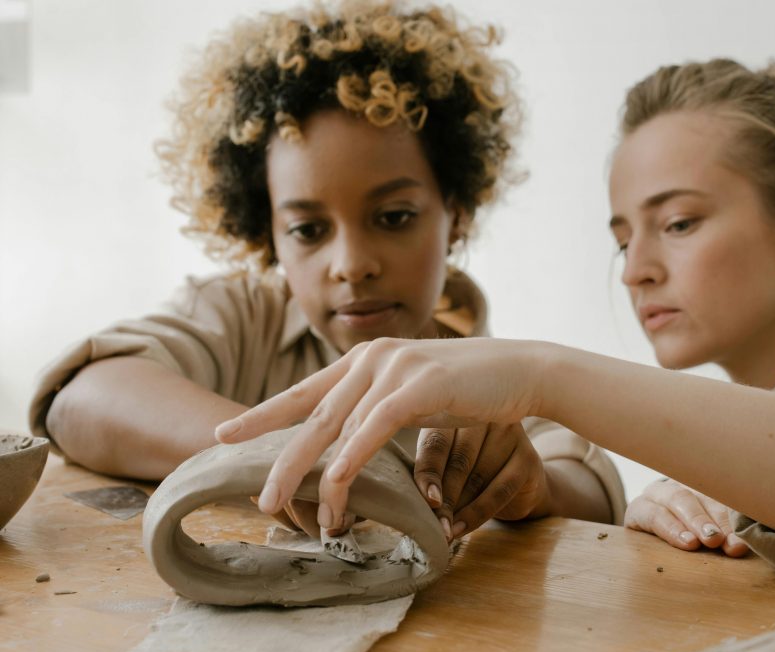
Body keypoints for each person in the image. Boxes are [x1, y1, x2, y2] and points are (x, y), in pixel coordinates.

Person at [218, 39, 775, 578]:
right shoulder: (719, 467)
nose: (637, 271)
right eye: (623, 240)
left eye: (678, 223)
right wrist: (671, 514)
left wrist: (538, 372)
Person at [28, 0, 625, 540]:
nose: (351, 265)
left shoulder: (497, 377)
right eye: (308, 231)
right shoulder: (241, 317)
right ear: (266, 234)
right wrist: (287, 448)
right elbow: (81, 398)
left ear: (457, 212)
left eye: (393, 217)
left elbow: (594, 489)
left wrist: (534, 489)